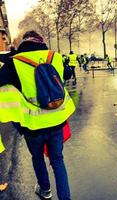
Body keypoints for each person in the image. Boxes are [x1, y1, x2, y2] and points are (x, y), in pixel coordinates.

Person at [0, 30, 75, 200]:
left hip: (32, 125)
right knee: (57, 160)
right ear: (40, 41)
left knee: (37, 157)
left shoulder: (15, 62)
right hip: (57, 121)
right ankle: (65, 198)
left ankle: (45, 190)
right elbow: (68, 74)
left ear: (24, 43)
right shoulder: (54, 57)